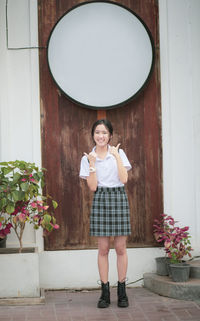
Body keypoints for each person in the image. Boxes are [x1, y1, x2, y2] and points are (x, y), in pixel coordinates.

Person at [79, 119, 132, 308]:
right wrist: (92, 164)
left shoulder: (119, 153)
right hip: (101, 199)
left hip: (118, 197)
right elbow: (92, 187)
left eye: (104, 133)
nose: (100, 136)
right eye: (97, 132)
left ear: (110, 135)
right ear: (93, 135)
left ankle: (122, 291)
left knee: (120, 248)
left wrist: (116, 156)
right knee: (103, 249)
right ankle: (104, 293)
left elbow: (124, 179)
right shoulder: (87, 158)